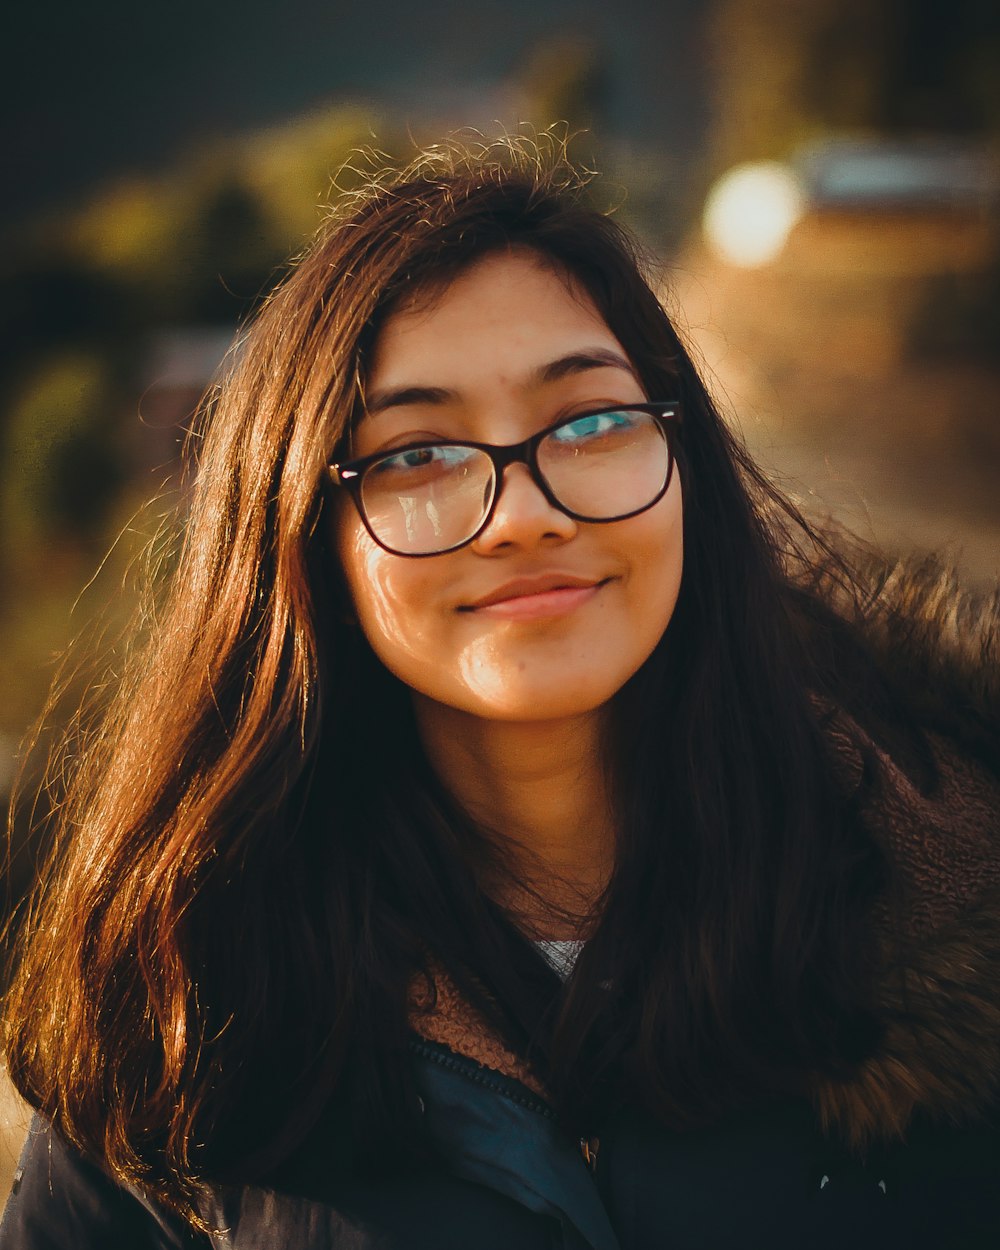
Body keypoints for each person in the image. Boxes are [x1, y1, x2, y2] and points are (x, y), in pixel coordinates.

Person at [2, 133, 999, 1250]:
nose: (527, 512)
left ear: (686, 466)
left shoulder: (960, 883)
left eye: (589, 421)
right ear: (304, 542)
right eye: (417, 453)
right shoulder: (178, 1001)